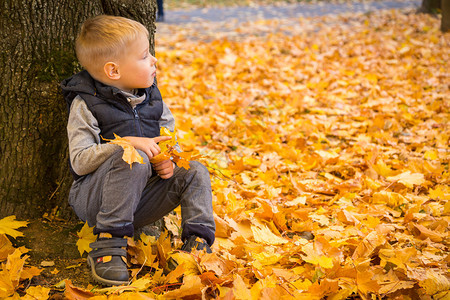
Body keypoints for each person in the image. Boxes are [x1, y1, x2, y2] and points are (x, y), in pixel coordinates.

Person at [60, 15, 215, 286]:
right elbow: (81, 161)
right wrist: (127, 144)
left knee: (195, 171)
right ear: (114, 71)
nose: (154, 60)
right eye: (145, 56)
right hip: (96, 201)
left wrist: (167, 160)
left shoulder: (153, 99)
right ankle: (109, 245)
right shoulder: (86, 104)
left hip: (141, 200)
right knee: (134, 157)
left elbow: (169, 144)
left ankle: (197, 246)